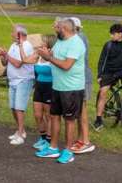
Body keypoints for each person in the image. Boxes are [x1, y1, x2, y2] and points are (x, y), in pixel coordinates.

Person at [35, 18, 86, 164]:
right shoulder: (60, 41)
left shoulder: (76, 43)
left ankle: (68, 151)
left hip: (72, 88)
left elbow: (66, 65)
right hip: (57, 86)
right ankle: (53, 148)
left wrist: (49, 58)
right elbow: (55, 56)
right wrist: (47, 53)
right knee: (54, 116)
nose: (55, 29)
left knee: (69, 120)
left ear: (64, 29)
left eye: (57, 27)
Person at [94, 23, 122, 131]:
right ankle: (98, 119)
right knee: (103, 92)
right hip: (108, 72)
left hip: (121, 71)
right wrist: (100, 75)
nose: (111, 36)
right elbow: (101, 61)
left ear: (120, 34)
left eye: (113, 34)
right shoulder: (108, 45)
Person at [0, 24, 34, 145]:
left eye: (13, 32)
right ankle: (19, 130)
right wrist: (3, 56)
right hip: (12, 80)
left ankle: (21, 133)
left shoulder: (27, 46)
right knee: (13, 107)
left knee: (19, 108)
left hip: (23, 80)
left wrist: (7, 55)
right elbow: (5, 63)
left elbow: (18, 64)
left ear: (19, 34)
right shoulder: (13, 45)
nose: (11, 34)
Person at [22, 34, 56, 151]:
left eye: (43, 41)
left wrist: (47, 55)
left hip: (49, 87)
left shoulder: (52, 55)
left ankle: (49, 140)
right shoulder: (39, 54)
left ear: (49, 43)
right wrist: (23, 46)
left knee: (48, 115)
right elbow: (26, 60)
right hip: (39, 87)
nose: (41, 43)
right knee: (37, 115)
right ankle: (42, 138)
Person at [70, 17, 95, 154]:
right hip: (79, 78)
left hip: (83, 79)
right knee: (79, 111)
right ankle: (80, 140)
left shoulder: (79, 38)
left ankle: (85, 141)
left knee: (82, 111)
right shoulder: (77, 37)